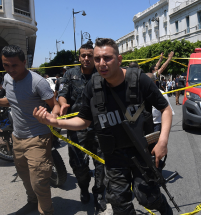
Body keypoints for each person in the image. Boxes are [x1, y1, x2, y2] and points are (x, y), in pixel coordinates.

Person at [34, 38, 174, 214]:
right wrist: (53, 122)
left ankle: (164, 208)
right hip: (114, 155)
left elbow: (165, 109)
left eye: (107, 58)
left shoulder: (139, 79)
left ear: (119, 59)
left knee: (148, 198)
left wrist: (163, 141)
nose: (102, 63)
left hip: (142, 150)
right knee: (119, 204)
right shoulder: (93, 86)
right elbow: (84, 121)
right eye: (97, 59)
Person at [1, 45, 60, 215]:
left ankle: (46, 212)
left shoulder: (37, 82)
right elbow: (12, 101)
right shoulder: (7, 78)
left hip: (38, 137)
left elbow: (54, 105)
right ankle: (33, 202)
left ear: (24, 62)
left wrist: (53, 118)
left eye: (14, 65)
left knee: (39, 182)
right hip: (17, 137)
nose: (10, 69)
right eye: (6, 65)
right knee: (25, 177)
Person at [57, 42, 106, 212]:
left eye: (89, 55)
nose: (86, 58)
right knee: (78, 166)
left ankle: (99, 193)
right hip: (77, 128)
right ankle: (84, 188)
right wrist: (63, 105)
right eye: (83, 55)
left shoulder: (101, 74)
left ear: (94, 57)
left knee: (102, 165)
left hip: (100, 127)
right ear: (79, 57)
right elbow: (62, 95)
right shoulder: (70, 75)